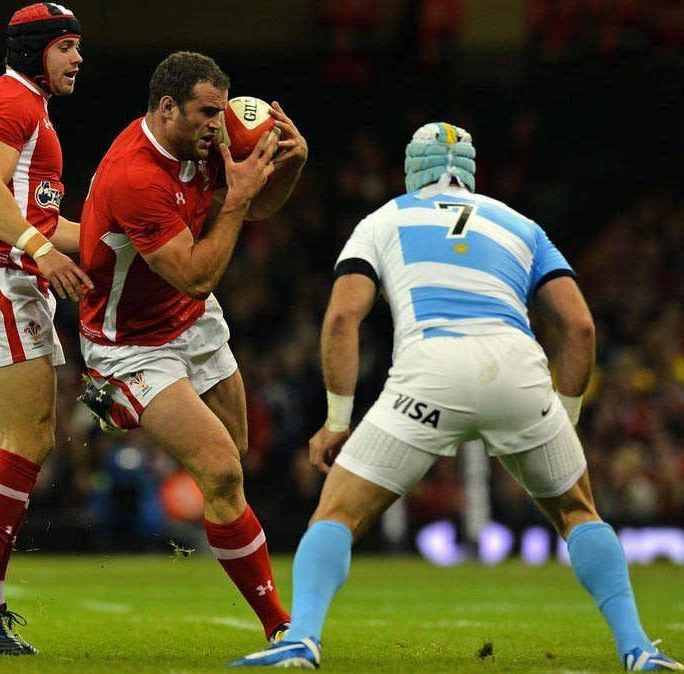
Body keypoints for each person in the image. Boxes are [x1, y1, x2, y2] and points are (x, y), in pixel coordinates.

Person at [230, 122, 683, 671]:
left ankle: (301, 639)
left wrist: (336, 419)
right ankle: (637, 649)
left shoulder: (384, 219)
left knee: (338, 513)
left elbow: (344, 316)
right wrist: (561, 417)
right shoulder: (521, 225)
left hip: (432, 373)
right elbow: (580, 327)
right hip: (517, 371)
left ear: (410, 168)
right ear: (470, 171)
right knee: (577, 512)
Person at [77, 51, 308, 642]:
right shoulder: (136, 176)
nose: (218, 125)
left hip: (192, 319)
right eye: (206, 113)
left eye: (222, 112)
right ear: (166, 108)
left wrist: (288, 167)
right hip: (130, 342)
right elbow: (197, 273)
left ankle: (267, 611)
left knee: (237, 454)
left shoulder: (207, 143)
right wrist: (235, 200)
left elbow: (256, 206)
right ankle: (281, 628)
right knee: (222, 472)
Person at [0, 3, 92, 656]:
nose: (79, 58)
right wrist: (42, 249)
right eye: (66, 46)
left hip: (12, 275)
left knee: (31, 441)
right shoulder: (12, 99)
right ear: (35, 51)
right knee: (23, 442)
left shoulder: (33, 108)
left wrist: (121, 243)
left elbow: (44, 222)